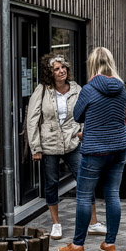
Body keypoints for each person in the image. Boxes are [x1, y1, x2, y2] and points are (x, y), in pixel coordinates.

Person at [61, 48, 126, 251]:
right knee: (112, 195)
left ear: (92, 64)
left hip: (95, 150)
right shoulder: (122, 88)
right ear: (111, 63)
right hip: (118, 148)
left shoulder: (89, 89)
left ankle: (78, 245)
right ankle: (110, 244)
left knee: (83, 196)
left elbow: (78, 115)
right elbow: (119, 116)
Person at [26, 54, 80, 239]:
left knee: (85, 179)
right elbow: (32, 120)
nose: (61, 71)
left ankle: (92, 221)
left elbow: (85, 112)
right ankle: (56, 223)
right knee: (52, 184)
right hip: (48, 145)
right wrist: (36, 147)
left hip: (72, 142)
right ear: (50, 73)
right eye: (56, 69)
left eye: (63, 67)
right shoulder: (42, 90)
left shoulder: (76, 88)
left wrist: (82, 131)